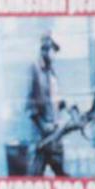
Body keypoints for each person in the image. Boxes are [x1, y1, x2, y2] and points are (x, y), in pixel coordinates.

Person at [25, 32, 67, 176]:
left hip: (55, 136)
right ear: (44, 49)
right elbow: (30, 106)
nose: (54, 54)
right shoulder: (35, 70)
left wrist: (64, 106)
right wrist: (43, 127)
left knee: (61, 175)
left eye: (55, 50)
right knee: (35, 178)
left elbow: (55, 101)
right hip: (41, 137)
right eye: (52, 49)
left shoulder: (52, 73)